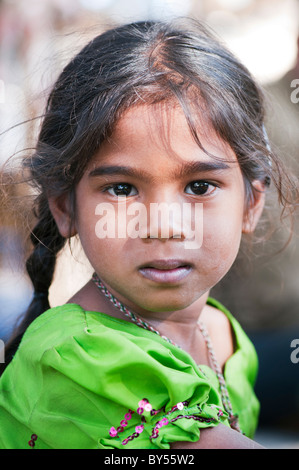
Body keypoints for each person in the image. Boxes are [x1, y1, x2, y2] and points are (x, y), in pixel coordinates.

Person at [0, 18, 296, 450]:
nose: (163, 223)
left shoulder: (225, 336)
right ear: (66, 208)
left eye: (199, 187)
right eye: (121, 189)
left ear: (251, 204)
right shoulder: (76, 356)